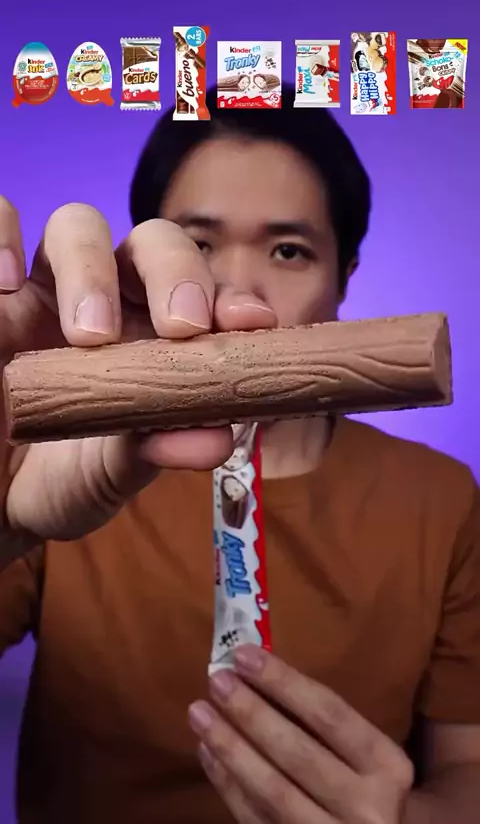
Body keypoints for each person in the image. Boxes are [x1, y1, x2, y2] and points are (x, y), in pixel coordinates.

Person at [0, 84, 479, 824]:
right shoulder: (58, 467)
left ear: (345, 278)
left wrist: (409, 819)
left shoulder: (441, 501)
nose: (236, 289)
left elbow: (469, 769)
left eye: (289, 250)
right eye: (197, 245)